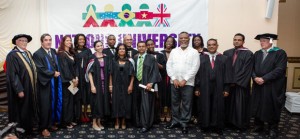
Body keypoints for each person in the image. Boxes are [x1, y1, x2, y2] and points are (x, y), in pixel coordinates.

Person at [251, 33, 287, 138]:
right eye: (260, 41)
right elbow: (251, 68)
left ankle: (273, 128)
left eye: (264, 41)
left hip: (272, 85)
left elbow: (280, 69)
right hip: (258, 84)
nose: (261, 43)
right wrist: (254, 77)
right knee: (258, 104)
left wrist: (264, 78)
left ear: (271, 41)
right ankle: (259, 125)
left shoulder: (280, 53)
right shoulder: (257, 53)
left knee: (272, 105)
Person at [165, 32, 200, 134]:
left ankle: (184, 123)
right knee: (174, 102)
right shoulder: (174, 51)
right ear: (179, 40)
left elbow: (195, 67)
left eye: (185, 38)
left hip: (187, 83)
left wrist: (185, 79)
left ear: (189, 39)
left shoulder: (194, 52)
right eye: (181, 38)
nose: (183, 40)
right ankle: (175, 120)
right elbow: (169, 65)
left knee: (186, 104)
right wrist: (174, 78)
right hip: (174, 82)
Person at [194, 39, 231, 135]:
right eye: (209, 45)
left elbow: (227, 75)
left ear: (217, 46)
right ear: (207, 46)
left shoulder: (224, 58)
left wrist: (226, 88)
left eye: (213, 45)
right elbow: (197, 74)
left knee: (218, 106)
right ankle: (205, 126)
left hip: (219, 87)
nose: (211, 46)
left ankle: (217, 126)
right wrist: (197, 88)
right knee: (205, 106)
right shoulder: (201, 58)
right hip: (204, 86)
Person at [6, 34, 38, 136]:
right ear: (16, 42)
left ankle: (28, 128)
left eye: (25, 41)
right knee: (20, 110)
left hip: (30, 87)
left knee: (28, 108)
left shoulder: (28, 53)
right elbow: (13, 74)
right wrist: (19, 89)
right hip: (21, 87)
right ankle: (19, 131)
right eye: (21, 40)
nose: (24, 42)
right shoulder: (12, 55)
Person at [33, 33, 62, 137]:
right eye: (46, 40)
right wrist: (53, 73)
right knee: (45, 106)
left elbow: (56, 65)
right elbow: (39, 68)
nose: (48, 42)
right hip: (44, 84)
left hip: (54, 83)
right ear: (41, 42)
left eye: (50, 40)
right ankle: (43, 127)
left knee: (52, 104)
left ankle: (50, 123)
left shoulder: (53, 51)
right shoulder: (37, 54)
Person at [223, 33, 253, 131]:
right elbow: (224, 69)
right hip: (228, 84)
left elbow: (246, 70)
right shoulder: (227, 52)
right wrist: (228, 81)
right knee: (228, 104)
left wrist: (235, 81)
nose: (236, 41)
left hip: (240, 85)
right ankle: (229, 123)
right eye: (235, 39)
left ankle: (240, 125)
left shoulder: (248, 53)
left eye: (239, 40)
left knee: (239, 105)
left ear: (243, 41)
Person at [133, 41, 161, 133]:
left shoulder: (151, 58)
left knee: (146, 105)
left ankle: (146, 125)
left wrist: (151, 82)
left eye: (143, 46)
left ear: (146, 48)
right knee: (138, 103)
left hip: (147, 84)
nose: (141, 48)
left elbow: (155, 71)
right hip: (137, 84)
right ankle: (139, 123)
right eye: (139, 46)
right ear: (137, 47)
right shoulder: (135, 57)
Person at [86, 41, 111, 131]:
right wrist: (92, 86)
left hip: (104, 83)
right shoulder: (92, 58)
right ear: (95, 48)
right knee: (95, 103)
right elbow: (89, 73)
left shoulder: (106, 57)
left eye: (101, 45)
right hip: (96, 83)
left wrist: (110, 85)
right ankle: (94, 123)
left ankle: (99, 122)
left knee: (102, 103)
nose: (100, 47)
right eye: (98, 46)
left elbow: (109, 72)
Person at [109, 43, 134, 129]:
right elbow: (110, 74)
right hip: (116, 85)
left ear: (126, 51)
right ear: (117, 51)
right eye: (120, 49)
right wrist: (110, 85)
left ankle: (123, 120)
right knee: (116, 103)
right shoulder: (113, 61)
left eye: (123, 49)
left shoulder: (129, 61)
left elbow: (132, 75)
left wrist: (130, 85)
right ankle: (116, 120)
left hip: (126, 85)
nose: (122, 50)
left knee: (125, 103)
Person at [57, 35, 78, 129]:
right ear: (63, 42)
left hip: (73, 81)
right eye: (67, 40)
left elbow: (73, 67)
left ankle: (69, 120)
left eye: (70, 40)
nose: (69, 42)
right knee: (66, 102)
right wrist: (72, 79)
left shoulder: (70, 53)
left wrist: (76, 77)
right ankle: (64, 122)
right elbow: (65, 69)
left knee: (71, 101)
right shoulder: (62, 54)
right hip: (66, 81)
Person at [145, 39, 167, 123]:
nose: (150, 46)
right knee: (150, 98)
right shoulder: (145, 55)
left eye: (152, 44)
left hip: (159, 80)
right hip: (148, 80)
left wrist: (155, 62)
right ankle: (150, 117)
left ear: (154, 45)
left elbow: (164, 68)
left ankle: (157, 117)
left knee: (158, 98)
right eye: (148, 45)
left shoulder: (160, 55)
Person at [73, 34, 92, 123]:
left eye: (83, 39)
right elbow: (72, 65)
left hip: (86, 76)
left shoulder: (88, 51)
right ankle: (78, 114)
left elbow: (91, 63)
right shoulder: (73, 51)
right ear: (76, 40)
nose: (82, 41)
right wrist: (75, 76)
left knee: (86, 95)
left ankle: (85, 113)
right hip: (76, 76)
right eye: (80, 39)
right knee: (77, 95)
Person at [160, 36, 177, 122]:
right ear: (165, 43)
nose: (169, 43)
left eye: (171, 42)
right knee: (163, 94)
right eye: (167, 41)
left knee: (171, 95)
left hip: (173, 77)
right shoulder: (160, 53)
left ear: (173, 43)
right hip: (163, 77)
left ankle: (169, 112)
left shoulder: (176, 52)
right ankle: (163, 112)